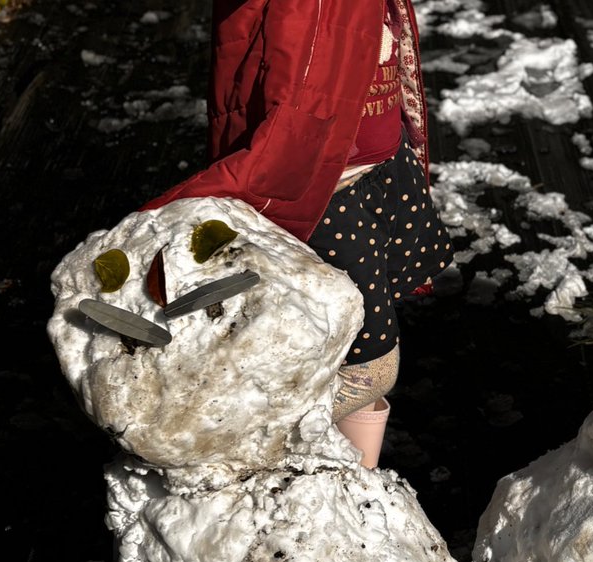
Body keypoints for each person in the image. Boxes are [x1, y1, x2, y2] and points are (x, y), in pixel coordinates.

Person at [144, 0, 451, 468]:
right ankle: (274, 455)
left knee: (354, 338)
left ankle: (355, 487)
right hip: (323, 191)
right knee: (361, 360)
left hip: (380, 159)